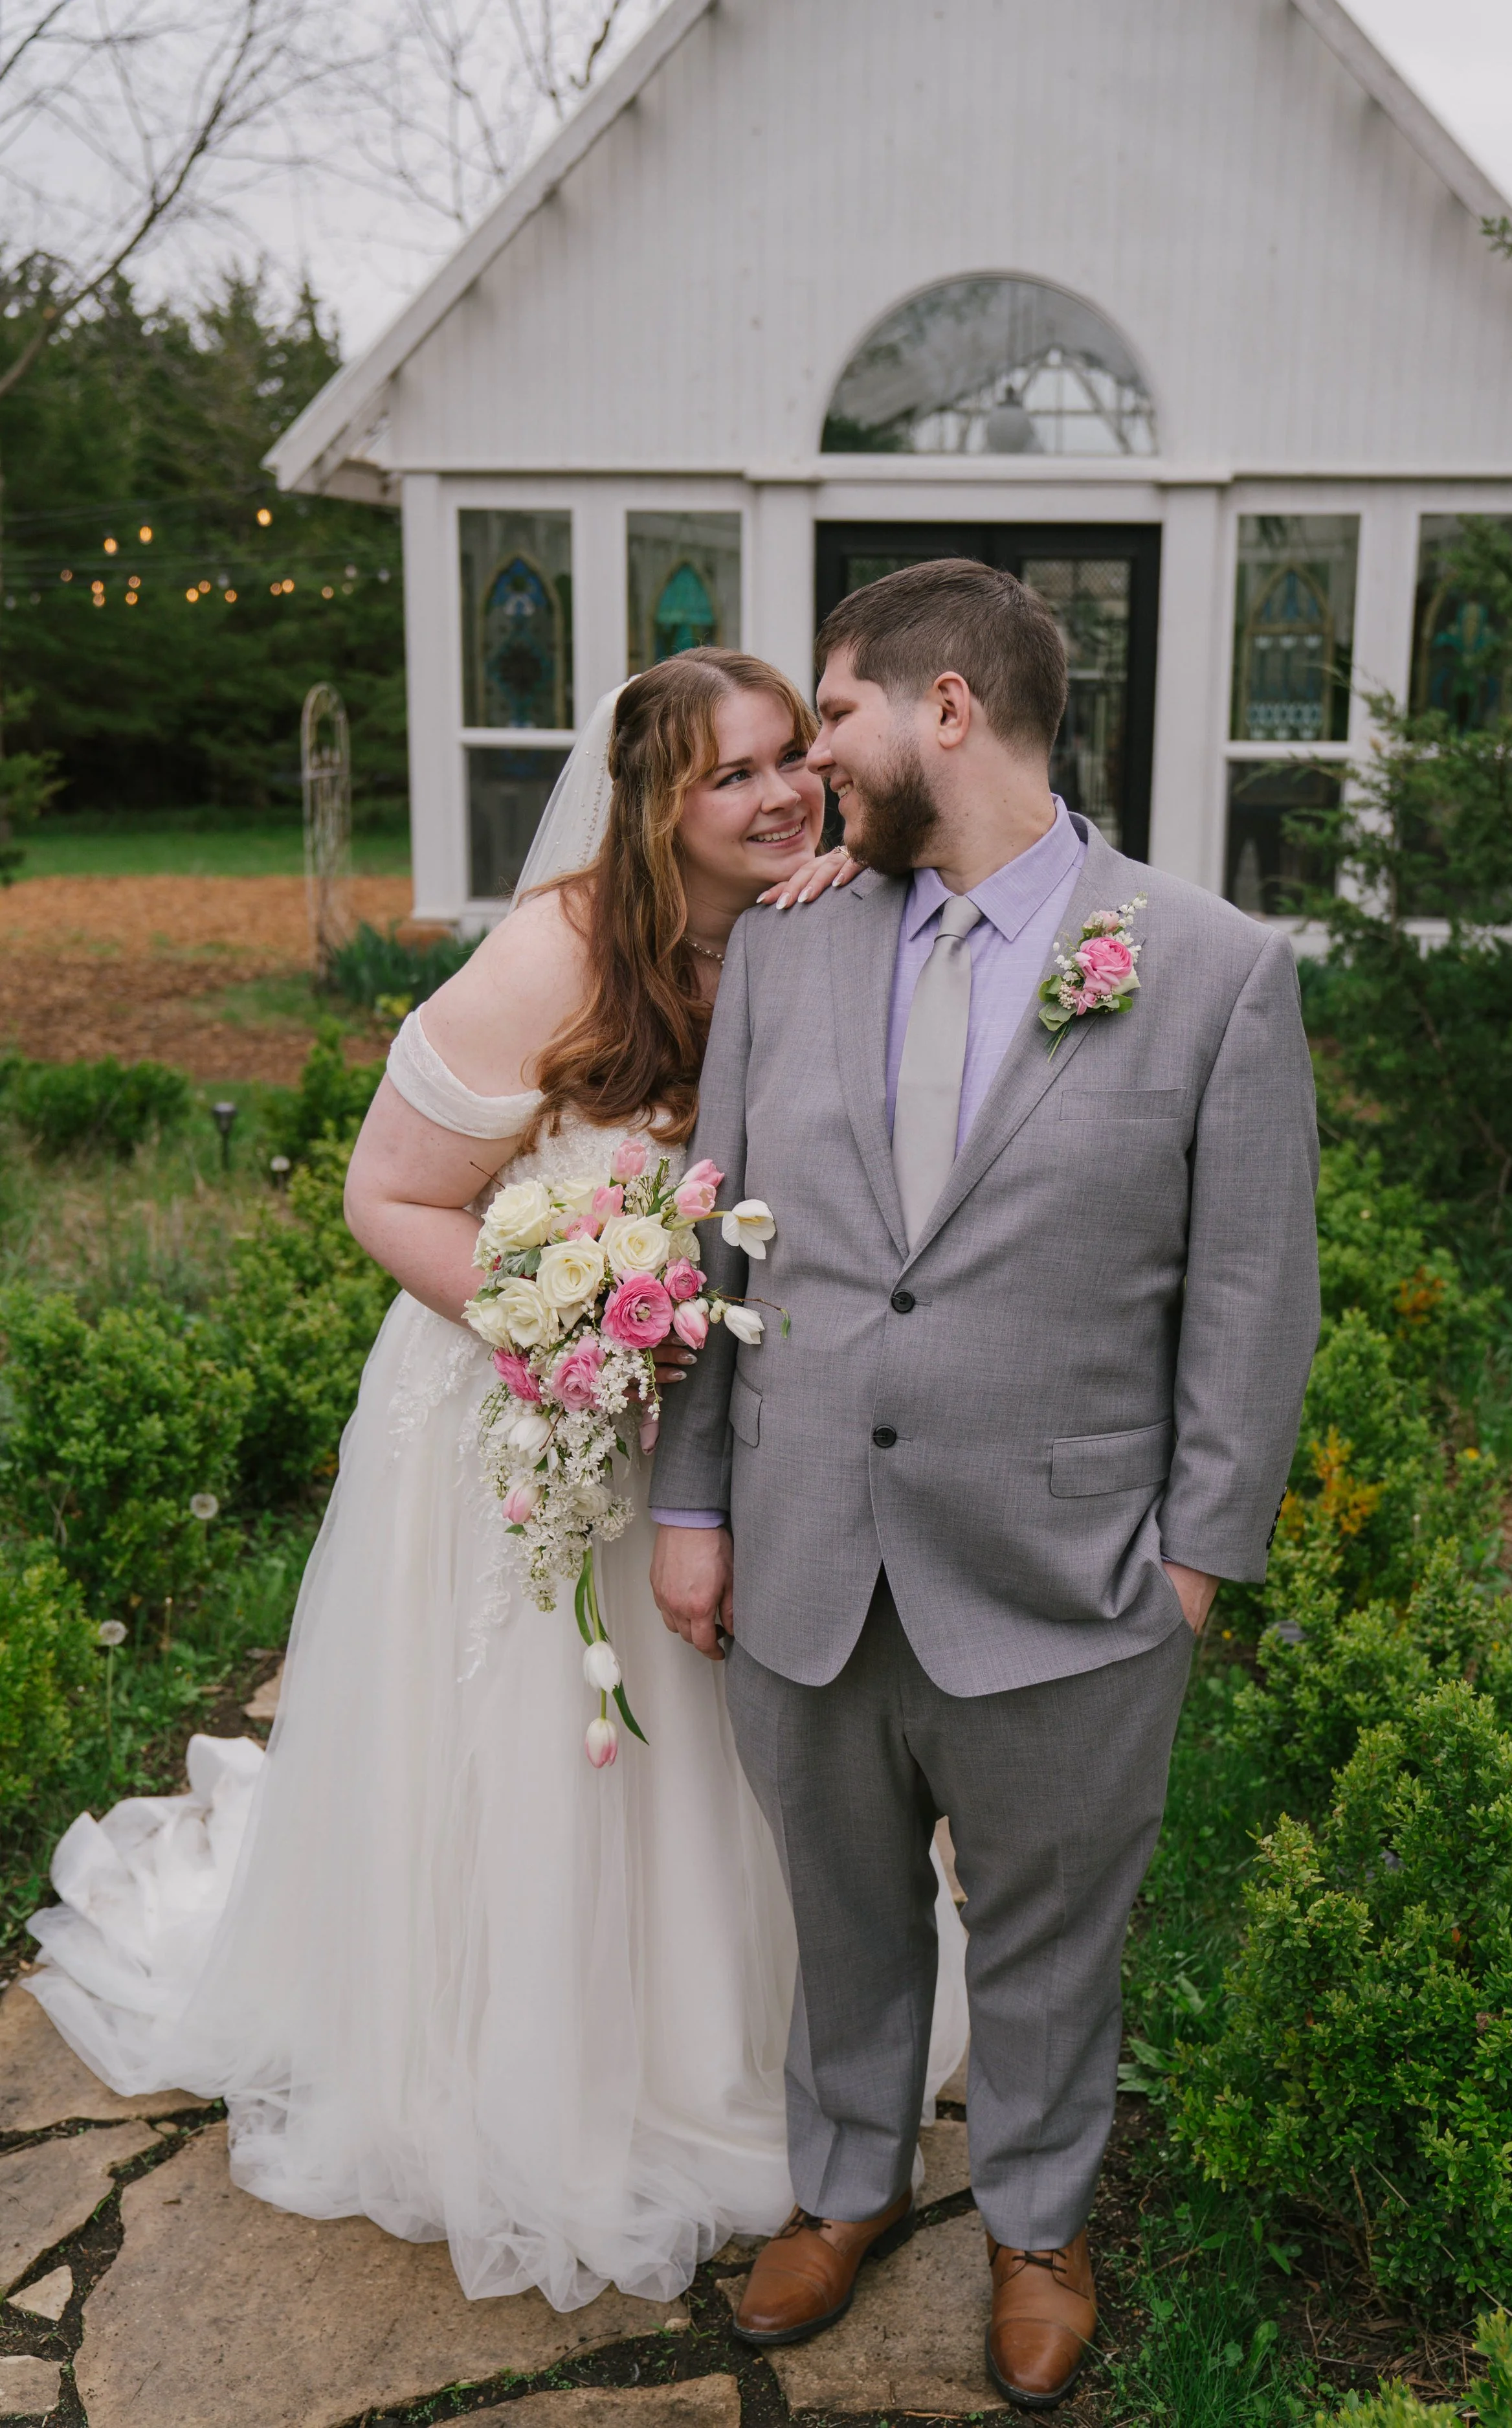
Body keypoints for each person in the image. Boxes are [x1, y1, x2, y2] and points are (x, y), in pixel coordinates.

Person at [23, 647, 967, 2311]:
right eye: (730, 775)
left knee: (701, 1746)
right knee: (545, 1744)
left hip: (695, 1421)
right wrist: (573, 1329)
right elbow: (387, 1197)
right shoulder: (548, 957)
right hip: (519, 1418)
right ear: (651, 804)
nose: (778, 792)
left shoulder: (805, 911)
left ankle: (718, 2028)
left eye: (785, 761)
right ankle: (517, 2061)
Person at [650, 563, 1321, 2408]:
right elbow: (718, 1244)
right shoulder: (784, 943)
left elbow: (1254, 1302)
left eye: (837, 721)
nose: (810, 773)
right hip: (804, 1544)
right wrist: (693, 1500)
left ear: (945, 708)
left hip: (1068, 1574)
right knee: (840, 1905)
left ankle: (1037, 2216)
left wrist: (1188, 1565)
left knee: (1046, 1929)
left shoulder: (1207, 965)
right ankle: (845, 2182)